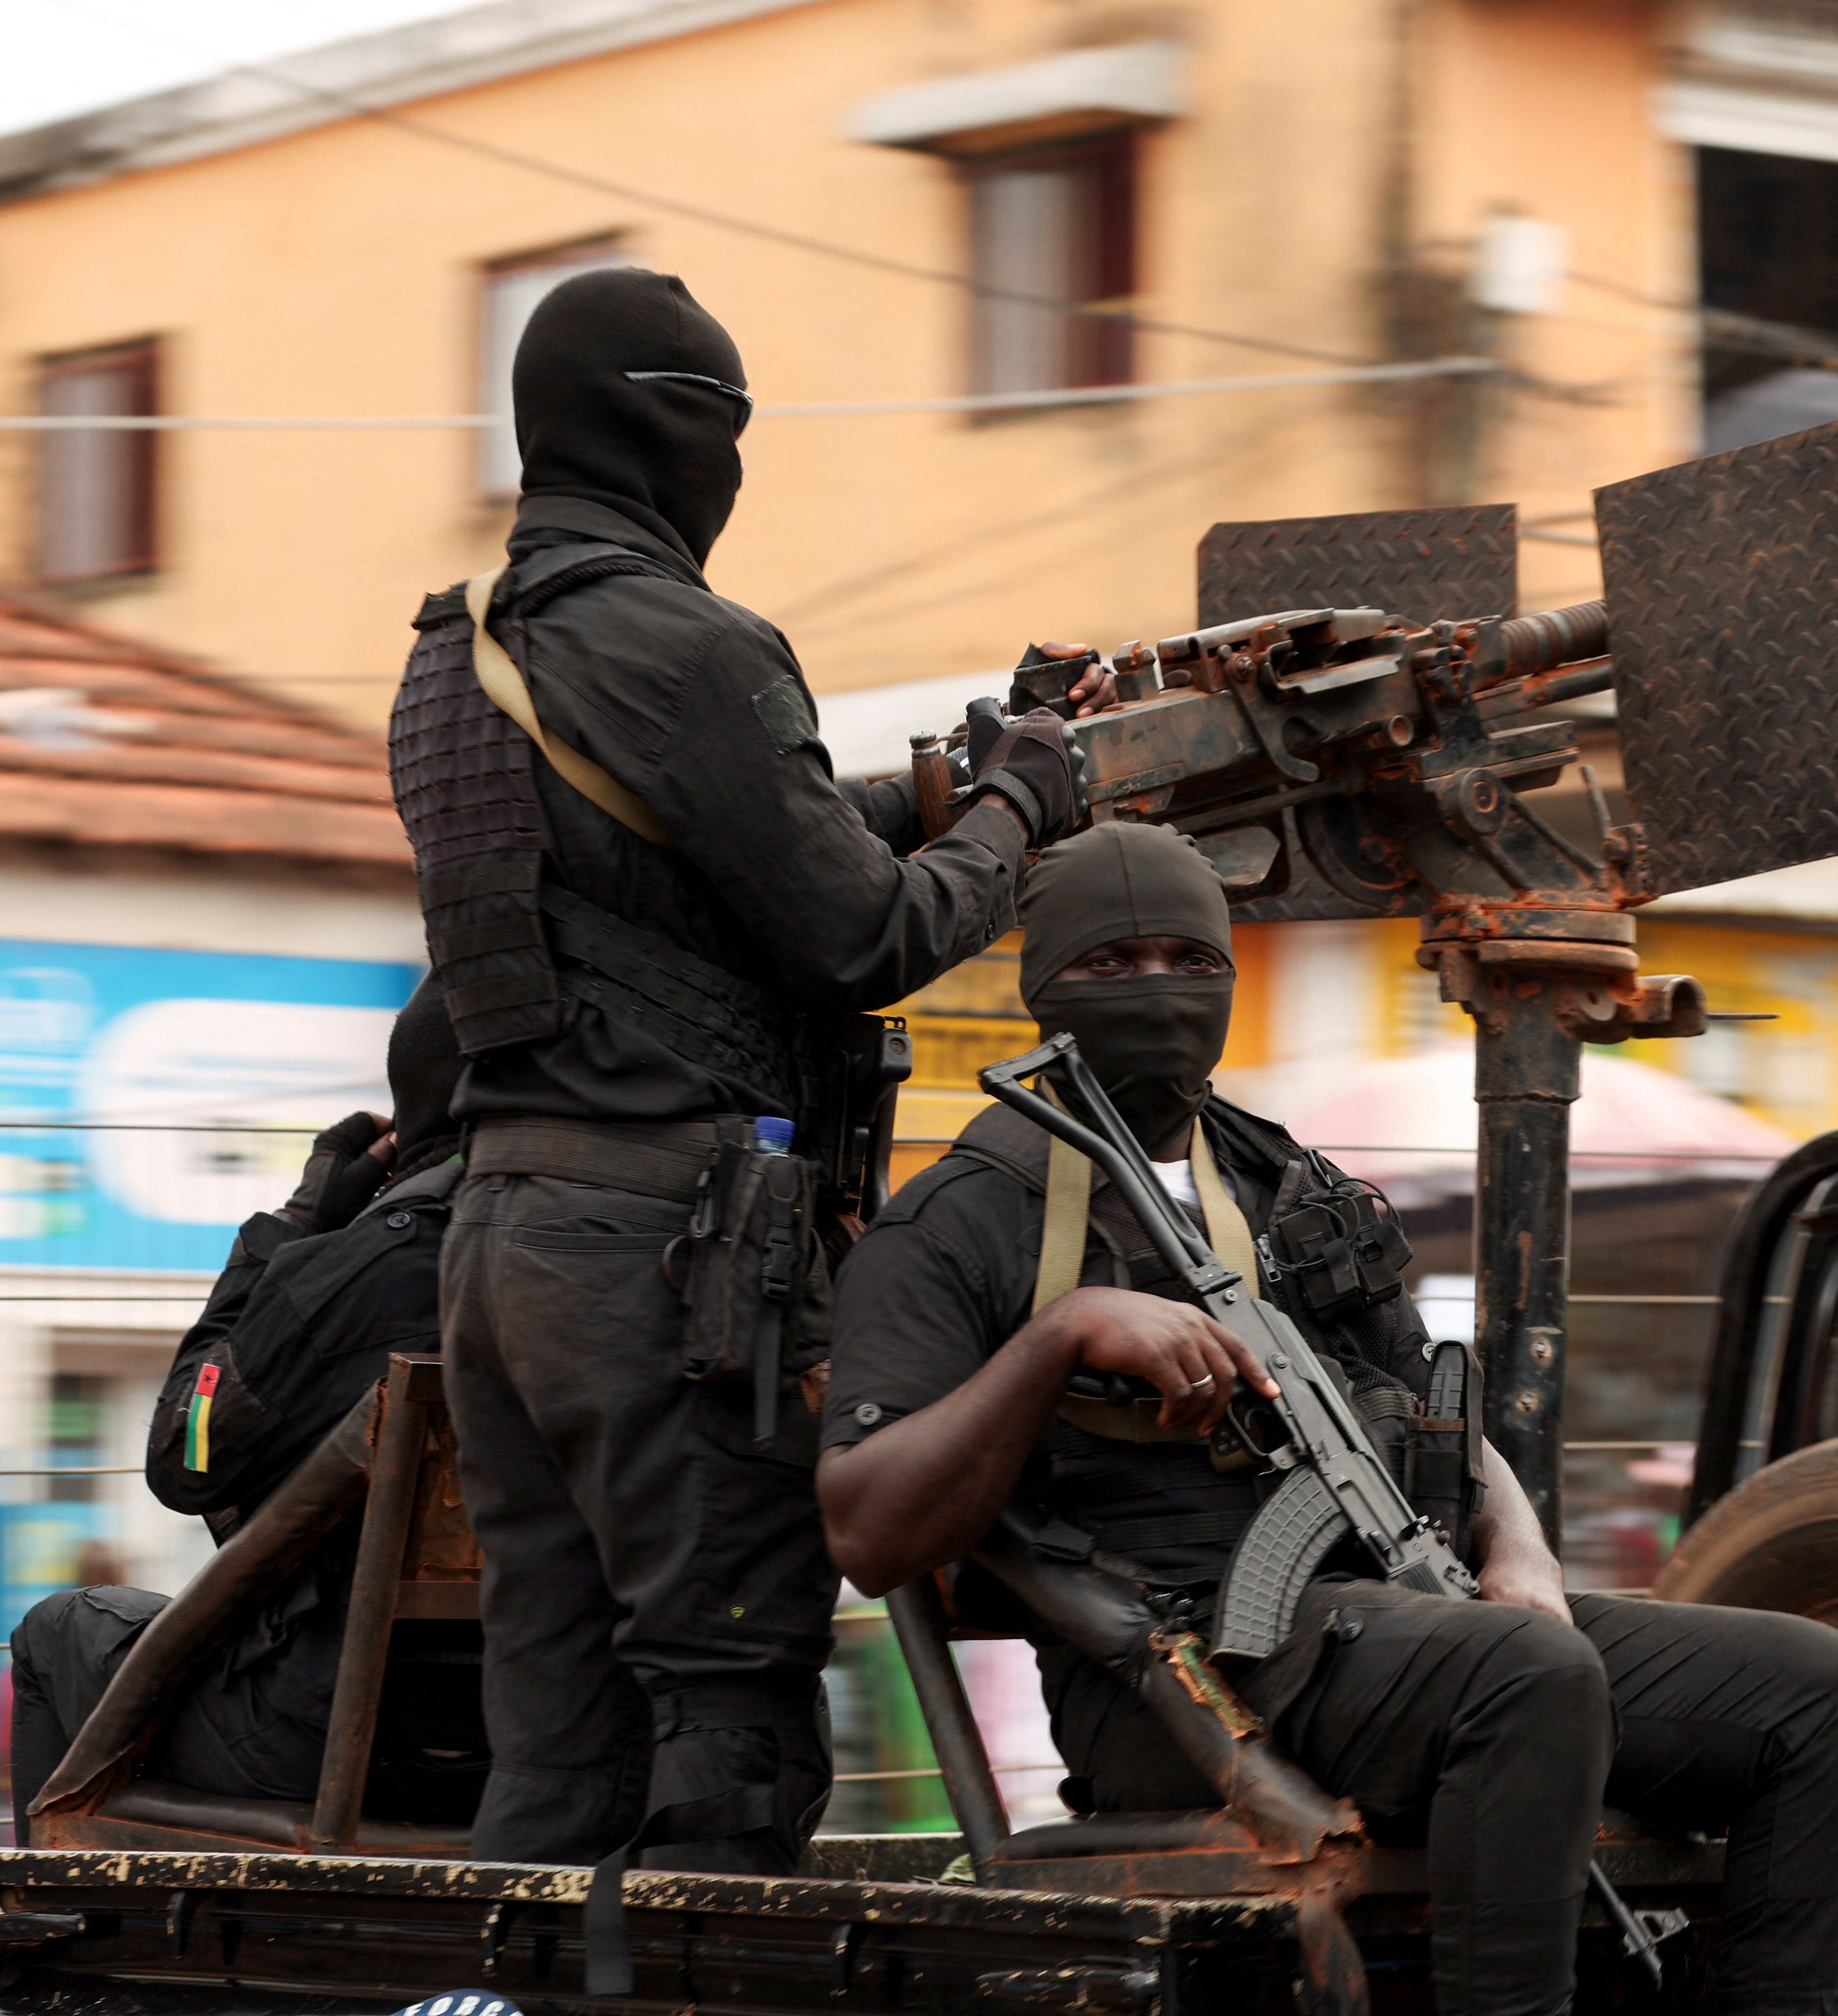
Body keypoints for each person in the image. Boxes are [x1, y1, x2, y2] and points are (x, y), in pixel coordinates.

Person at [818, 823, 1838, 2016]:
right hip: (1174, 1676)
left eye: (1188, 956)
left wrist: (1518, 1545)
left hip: (1402, 1611)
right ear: (1042, 987)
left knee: (1819, 1689)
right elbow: (867, 1528)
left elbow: (1434, 1411)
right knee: (1525, 1677)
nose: (1156, 989)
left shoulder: (1293, 1186)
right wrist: (1059, 1337)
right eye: (1111, 963)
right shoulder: (963, 1220)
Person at [387, 265, 1085, 1875]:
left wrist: (935, 793)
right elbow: (859, 941)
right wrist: (1023, 805)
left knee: (554, 1745)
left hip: (501, 1245)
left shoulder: (455, 654)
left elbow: (663, 872)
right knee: (729, 1734)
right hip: (663, 1265)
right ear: (677, 432)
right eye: (731, 431)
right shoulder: (696, 645)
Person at [7, 981, 486, 1831]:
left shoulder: (341, 1277)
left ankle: (53, 1938)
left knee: (61, 1628)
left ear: (407, 1122)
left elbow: (183, 1457)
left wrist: (285, 1234)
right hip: (557, 1747)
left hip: (337, 1747)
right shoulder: (617, 1271)